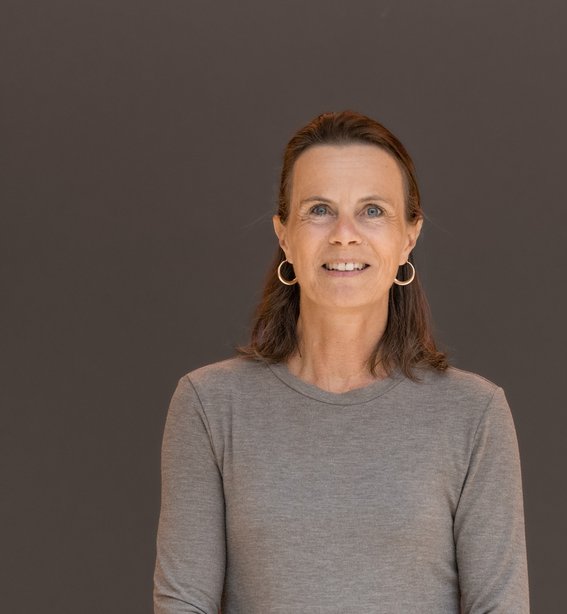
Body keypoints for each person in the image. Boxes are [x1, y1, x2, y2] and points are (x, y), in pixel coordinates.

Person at [153, 111, 529, 613]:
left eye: (372, 210)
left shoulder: (474, 414)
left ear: (409, 236)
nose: (344, 234)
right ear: (284, 235)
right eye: (319, 210)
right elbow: (183, 604)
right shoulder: (210, 405)